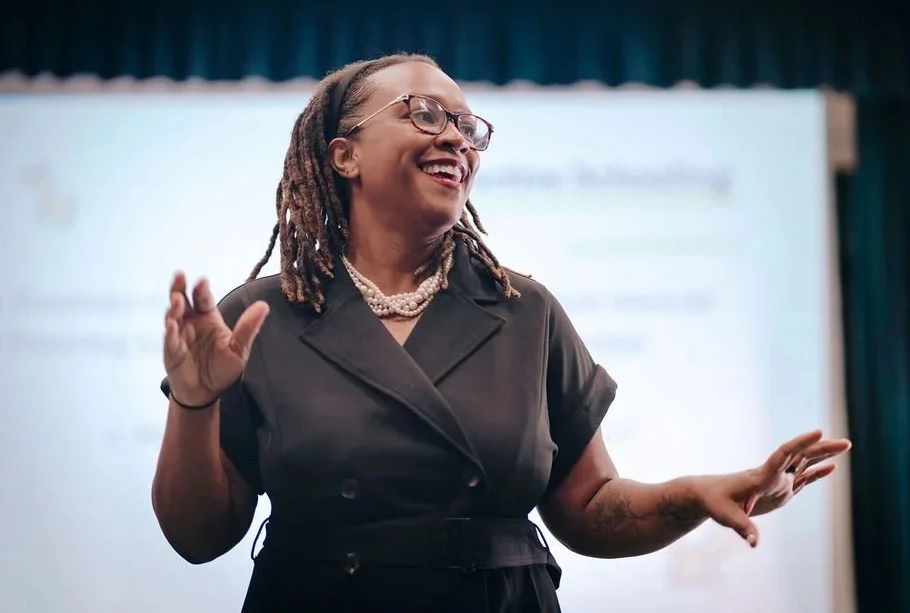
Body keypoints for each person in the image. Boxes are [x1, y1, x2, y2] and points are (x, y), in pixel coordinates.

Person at [151, 53, 851, 613]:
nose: (456, 136)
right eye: (424, 114)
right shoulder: (260, 317)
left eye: (467, 124)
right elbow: (198, 536)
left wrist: (694, 494)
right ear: (344, 156)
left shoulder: (525, 311)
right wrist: (193, 401)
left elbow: (589, 509)